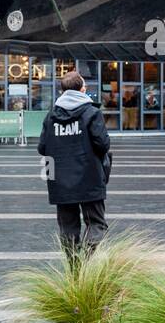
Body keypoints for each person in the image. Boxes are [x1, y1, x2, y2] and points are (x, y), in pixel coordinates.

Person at [38, 70, 111, 261]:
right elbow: (103, 144)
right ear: (82, 89)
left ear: (63, 91)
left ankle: (74, 269)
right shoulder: (92, 113)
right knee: (96, 223)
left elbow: (42, 147)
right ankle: (87, 261)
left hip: (60, 181)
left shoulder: (51, 116)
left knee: (68, 228)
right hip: (89, 177)